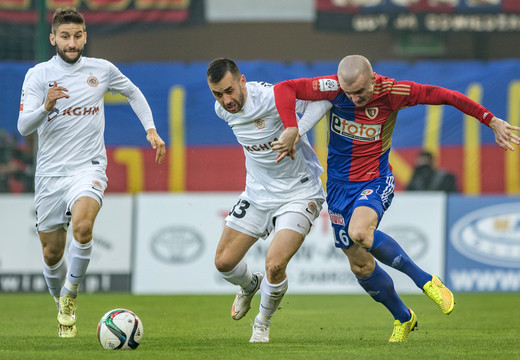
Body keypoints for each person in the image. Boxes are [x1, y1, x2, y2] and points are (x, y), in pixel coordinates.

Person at [272, 54, 520, 342]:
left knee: (361, 232)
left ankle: (426, 281)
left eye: (360, 92)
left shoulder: (394, 92)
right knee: (360, 265)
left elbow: (447, 96)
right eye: (348, 93)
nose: (354, 99)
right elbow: (284, 88)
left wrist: (490, 120)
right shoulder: (333, 87)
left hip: (374, 180)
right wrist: (291, 126)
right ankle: (404, 317)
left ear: (373, 78)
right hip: (338, 188)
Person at [17, 7, 166, 338]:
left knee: (83, 228)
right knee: (52, 253)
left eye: (78, 35)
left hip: (89, 167)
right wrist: (46, 106)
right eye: (66, 36)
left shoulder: (102, 69)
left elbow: (134, 93)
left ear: (85, 37)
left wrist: (151, 129)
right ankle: (61, 304)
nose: (72, 42)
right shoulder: (38, 76)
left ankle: (70, 295)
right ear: (53, 38)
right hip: (50, 175)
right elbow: (23, 125)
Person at [207, 58, 330, 343]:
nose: (225, 100)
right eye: (217, 94)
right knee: (224, 263)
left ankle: (262, 323)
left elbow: (323, 100)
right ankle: (250, 284)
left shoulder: (273, 97)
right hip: (257, 193)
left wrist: (295, 130)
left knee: (275, 265)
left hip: (299, 192)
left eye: (229, 91)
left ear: (242, 81)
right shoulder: (222, 110)